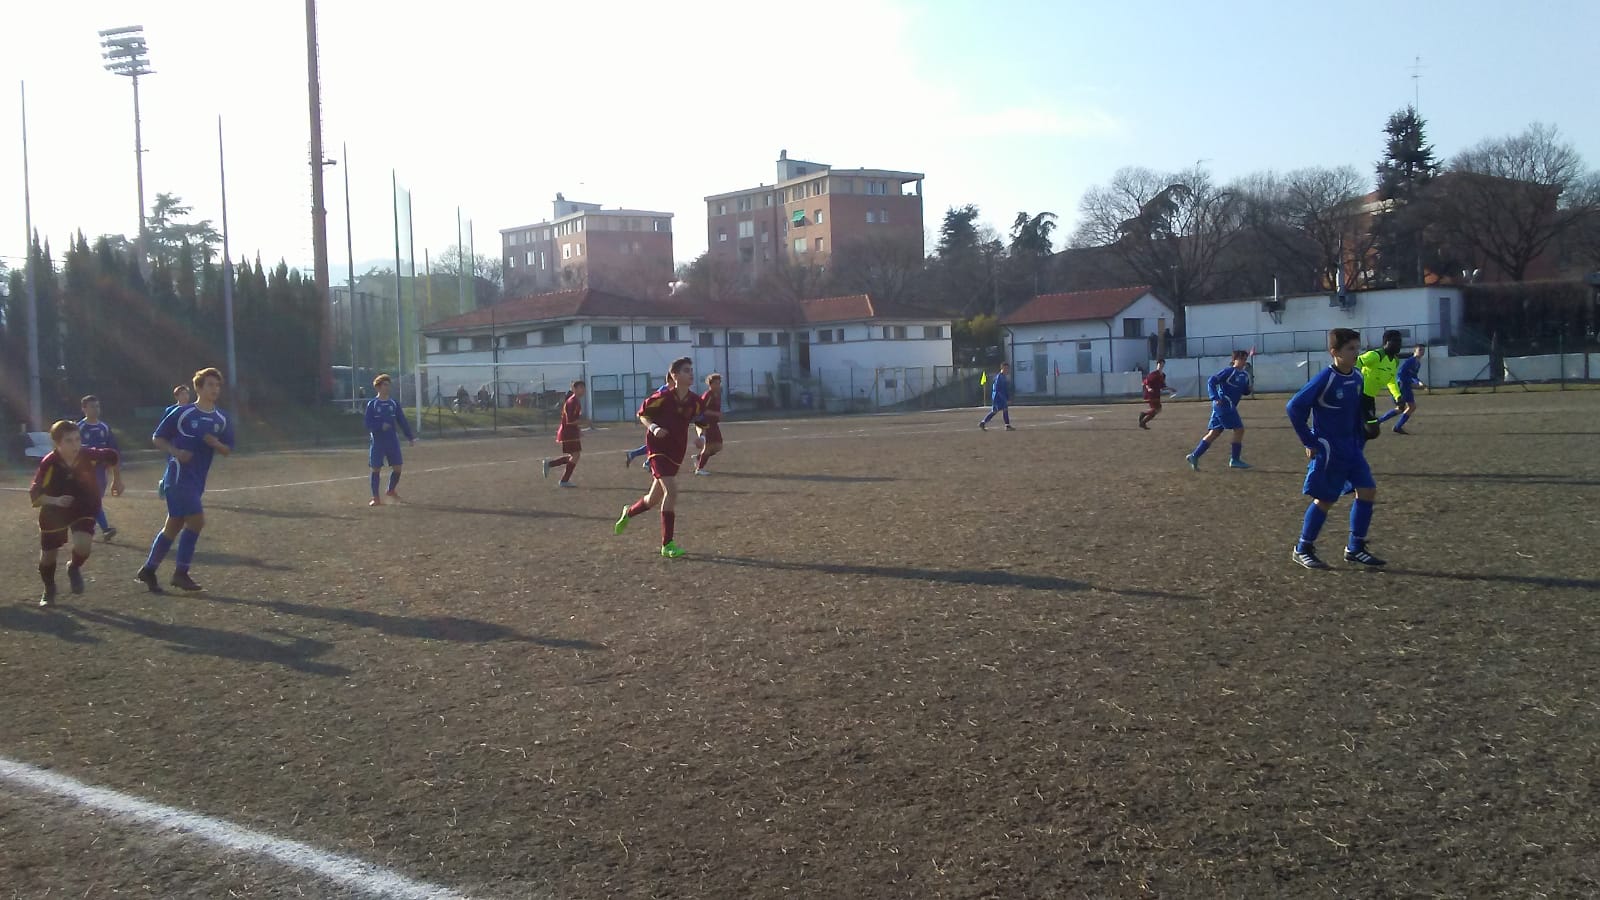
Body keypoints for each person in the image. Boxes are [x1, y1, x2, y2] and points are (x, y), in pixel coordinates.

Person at [1286, 328, 1386, 569]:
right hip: (1330, 449)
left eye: (1357, 348)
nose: (1356, 353)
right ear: (1334, 352)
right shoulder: (1325, 379)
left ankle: (1355, 547)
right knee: (1325, 499)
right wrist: (1310, 441)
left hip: (1352, 448)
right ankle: (1303, 547)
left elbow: (1356, 411)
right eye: (1350, 349)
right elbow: (1294, 408)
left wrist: (1365, 429)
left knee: (1368, 490)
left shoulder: (1358, 377)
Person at [136, 367, 235, 593]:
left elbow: (228, 449)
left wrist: (216, 444)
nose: (215, 389)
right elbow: (157, 438)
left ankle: (149, 569)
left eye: (218, 385)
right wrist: (176, 452)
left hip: (198, 479)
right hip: (178, 476)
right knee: (197, 521)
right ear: (198, 388)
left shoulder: (222, 418)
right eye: (210, 385)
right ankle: (181, 573)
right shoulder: (182, 413)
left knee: (174, 525)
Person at [613, 357, 705, 558]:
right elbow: (643, 414)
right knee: (671, 492)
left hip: (676, 451)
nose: (691, 374)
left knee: (652, 499)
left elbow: (701, 421)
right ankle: (667, 544)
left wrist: (701, 437)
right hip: (657, 450)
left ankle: (628, 512)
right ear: (674, 375)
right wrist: (653, 428)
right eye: (686, 370)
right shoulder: (663, 397)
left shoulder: (695, 401)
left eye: (691, 370)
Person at [30, 420, 123, 606]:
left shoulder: (88, 455)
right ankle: (49, 590)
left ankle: (73, 567)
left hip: (84, 506)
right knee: (48, 556)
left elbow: (113, 456)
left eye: (77, 439)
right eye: (69, 441)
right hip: (54, 511)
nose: (75, 445)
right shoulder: (49, 463)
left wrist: (117, 481)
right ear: (58, 443)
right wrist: (55, 500)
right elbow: (35, 495)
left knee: (83, 546)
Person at [1187, 350, 1253, 470]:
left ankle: (1194, 456)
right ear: (1234, 360)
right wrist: (1215, 397)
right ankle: (1235, 459)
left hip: (1226, 406)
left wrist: (1249, 388)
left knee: (1214, 433)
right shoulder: (1229, 371)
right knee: (1239, 430)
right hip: (1225, 405)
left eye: (1245, 359)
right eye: (1242, 359)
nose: (1244, 361)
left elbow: (1244, 391)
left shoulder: (1244, 375)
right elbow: (1211, 381)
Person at [76, 395, 121, 540]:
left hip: (101, 473)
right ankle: (105, 528)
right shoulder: (78, 428)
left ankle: (85, 528)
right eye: (92, 407)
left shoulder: (105, 428)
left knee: (93, 502)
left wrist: (116, 477)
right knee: (93, 500)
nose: (96, 410)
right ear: (84, 409)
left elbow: (114, 453)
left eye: (97, 406)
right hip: (83, 472)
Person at [365, 374, 415, 506]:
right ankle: (376, 498)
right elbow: (367, 423)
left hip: (392, 440)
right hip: (378, 441)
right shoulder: (372, 404)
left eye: (388, 385)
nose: (387, 388)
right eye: (385, 385)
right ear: (378, 387)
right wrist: (380, 426)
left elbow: (402, 421)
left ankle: (391, 490)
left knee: (398, 468)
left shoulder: (394, 403)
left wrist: (410, 436)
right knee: (376, 468)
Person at [542, 380, 588, 488]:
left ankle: (551, 465)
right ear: (574, 389)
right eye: (580, 387)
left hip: (571, 432)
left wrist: (579, 429)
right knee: (576, 455)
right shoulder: (572, 402)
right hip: (568, 433)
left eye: (583, 388)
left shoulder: (576, 401)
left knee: (574, 456)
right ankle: (563, 480)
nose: (583, 390)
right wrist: (585, 422)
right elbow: (570, 420)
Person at [1358, 330, 1405, 429]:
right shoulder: (1375, 355)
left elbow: (1391, 380)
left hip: (1370, 398)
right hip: (1358, 396)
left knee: (1370, 429)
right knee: (1368, 428)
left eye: (1400, 341)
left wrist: (1398, 396)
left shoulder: (1395, 361)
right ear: (1386, 342)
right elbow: (1355, 363)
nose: (1399, 344)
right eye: (1396, 341)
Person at [157, 384, 193, 500]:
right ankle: (164, 485)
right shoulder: (171, 410)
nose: (185, 396)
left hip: (186, 443)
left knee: (187, 466)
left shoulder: (191, 409)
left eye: (187, 393)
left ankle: (186, 491)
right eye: (182, 394)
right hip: (173, 443)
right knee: (173, 464)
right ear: (177, 396)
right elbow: (164, 428)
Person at [624, 381, 672, 467]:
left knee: (659, 444)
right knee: (660, 444)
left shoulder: (671, 390)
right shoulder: (663, 390)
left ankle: (637, 457)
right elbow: (651, 405)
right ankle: (647, 462)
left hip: (664, 422)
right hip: (659, 422)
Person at [1386, 344, 1427, 434]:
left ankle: (1397, 427)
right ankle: (1380, 422)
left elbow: (1414, 376)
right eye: (1420, 350)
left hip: (1406, 385)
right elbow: (1400, 374)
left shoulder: (1417, 363)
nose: (1422, 352)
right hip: (1402, 385)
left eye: (1423, 350)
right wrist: (1412, 383)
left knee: (1411, 407)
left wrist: (1418, 382)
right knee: (1402, 408)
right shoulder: (1410, 361)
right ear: (1414, 351)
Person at [694, 373, 725, 475]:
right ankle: (699, 469)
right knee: (708, 446)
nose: (718, 385)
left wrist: (717, 416)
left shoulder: (718, 394)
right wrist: (716, 413)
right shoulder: (708, 395)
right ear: (710, 384)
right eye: (715, 383)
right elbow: (701, 411)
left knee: (718, 446)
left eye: (719, 383)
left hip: (713, 423)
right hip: (704, 422)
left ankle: (699, 458)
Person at [978, 362, 1014, 431]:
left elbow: (1005, 389)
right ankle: (983, 423)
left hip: (1001, 397)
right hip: (997, 397)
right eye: (1006, 368)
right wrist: (1003, 398)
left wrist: (1008, 397)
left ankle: (1007, 425)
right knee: (995, 411)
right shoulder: (999, 377)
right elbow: (997, 390)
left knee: (1004, 410)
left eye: (1008, 369)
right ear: (1002, 368)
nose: (1007, 370)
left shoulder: (1004, 377)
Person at [1138, 359, 1171, 429]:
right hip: (1151, 394)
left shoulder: (1163, 375)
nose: (1161, 366)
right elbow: (1146, 382)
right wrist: (1149, 388)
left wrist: (1170, 389)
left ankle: (1143, 417)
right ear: (1157, 365)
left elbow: (1163, 387)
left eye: (1162, 364)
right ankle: (1143, 419)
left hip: (1157, 394)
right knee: (1157, 409)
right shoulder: (1153, 374)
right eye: (1160, 364)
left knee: (1156, 410)